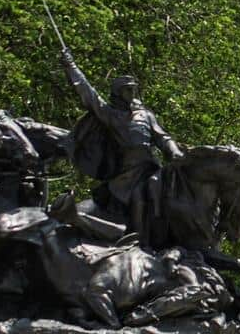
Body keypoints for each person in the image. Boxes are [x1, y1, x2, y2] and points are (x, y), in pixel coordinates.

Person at [61, 48, 184, 247]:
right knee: (138, 196)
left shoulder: (145, 115)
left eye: (133, 89)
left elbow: (162, 136)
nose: (132, 92)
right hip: (126, 173)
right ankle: (137, 241)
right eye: (128, 89)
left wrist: (173, 150)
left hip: (150, 166)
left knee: (168, 189)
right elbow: (87, 93)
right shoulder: (110, 114)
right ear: (119, 92)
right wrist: (70, 65)